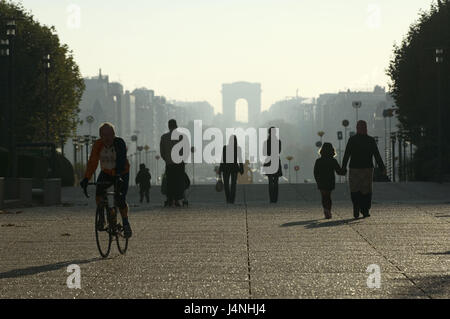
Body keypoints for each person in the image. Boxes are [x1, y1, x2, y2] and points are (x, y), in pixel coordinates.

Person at [80, 122, 132, 238]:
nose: (107, 138)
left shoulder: (119, 143)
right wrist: (86, 178)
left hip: (122, 172)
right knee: (99, 194)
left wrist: (118, 175)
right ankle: (102, 216)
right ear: (100, 136)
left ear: (114, 134)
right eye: (103, 135)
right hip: (106, 172)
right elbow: (93, 162)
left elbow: (121, 159)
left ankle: (125, 222)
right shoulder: (98, 145)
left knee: (120, 198)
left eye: (109, 134)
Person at [342, 120, 386, 219]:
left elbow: (346, 155)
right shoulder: (370, 140)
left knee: (355, 189)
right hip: (367, 168)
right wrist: (382, 167)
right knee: (366, 190)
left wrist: (343, 167)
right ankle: (365, 209)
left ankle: (357, 206)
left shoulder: (352, 140)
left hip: (355, 168)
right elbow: (376, 155)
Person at [160, 119, 188, 207]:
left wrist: (166, 159)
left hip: (169, 164)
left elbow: (162, 151)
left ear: (169, 126)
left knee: (170, 182)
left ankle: (169, 199)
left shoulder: (164, 137)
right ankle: (177, 199)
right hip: (179, 164)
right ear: (176, 126)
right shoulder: (181, 136)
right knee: (178, 182)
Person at [313, 143, 346, 219]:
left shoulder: (318, 161)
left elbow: (315, 172)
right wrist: (344, 170)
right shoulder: (333, 161)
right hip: (330, 181)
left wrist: (317, 180)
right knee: (328, 196)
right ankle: (328, 210)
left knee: (324, 196)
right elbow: (339, 171)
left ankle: (325, 210)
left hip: (321, 181)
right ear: (332, 151)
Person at [219, 135, 244, 204]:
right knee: (233, 184)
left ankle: (228, 198)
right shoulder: (238, 148)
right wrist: (241, 169)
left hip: (226, 168)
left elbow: (222, 159)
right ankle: (232, 199)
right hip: (234, 168)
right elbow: (240, 159)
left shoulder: (225, 148)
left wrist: (220, 169)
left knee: (226, 184)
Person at [262, 127, 282, 203]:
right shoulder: (278, 141)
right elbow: (279, 151)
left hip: (269, 160)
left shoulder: (266, 142)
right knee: (276, 181)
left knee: (270, 181)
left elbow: (264, 152)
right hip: (276, 160)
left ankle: (271, 199)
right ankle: (275, 198)